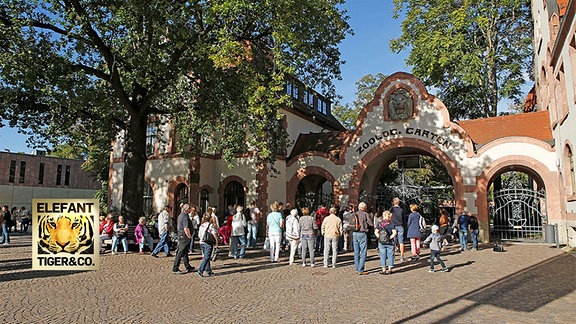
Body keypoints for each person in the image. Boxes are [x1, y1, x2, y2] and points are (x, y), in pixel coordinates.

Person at [172, 204, 196, 274]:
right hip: (184, 235)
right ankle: (175, 267)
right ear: (187, 209)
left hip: (181, 234)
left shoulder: (181, 215)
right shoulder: (185, 216)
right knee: (180, 252)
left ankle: (187, 266)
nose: (191, 210)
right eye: (190, 209)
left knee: (185, 251)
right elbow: (186, 227)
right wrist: (189, 236)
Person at [351, 202, 373, 275]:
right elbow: (370, 223)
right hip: (362, 233)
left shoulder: (355, 214)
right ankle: (360, 269)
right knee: (363, 252)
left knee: (356, 252)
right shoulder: (365, 214)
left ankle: (357, 268)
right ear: (364, 208)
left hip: (354, 233)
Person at [375, 210, 397, 275]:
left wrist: (380, 237)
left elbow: (376, 232)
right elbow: (394, 233)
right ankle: (390, 269)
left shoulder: (380, 223)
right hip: (390, 242)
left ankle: (383, 269)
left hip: (381, 242)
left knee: (382, 255)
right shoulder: (391, 224)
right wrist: (389, 238)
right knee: (391, 255)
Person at [197, 213, 218, 277]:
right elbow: (214, 235)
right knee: (206, 257)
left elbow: (199, 235)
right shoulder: (210, 226)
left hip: (202, 242)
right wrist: (216, 243)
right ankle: (200, 270)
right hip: (208, 243)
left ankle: (208, 271)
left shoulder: (201, 225)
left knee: (206, 257)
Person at [390, 197, 406, 262]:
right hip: (400, 225)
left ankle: (392, 255)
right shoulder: (401, 210)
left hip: (393, 226)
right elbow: (404, 219)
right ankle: (402, 256)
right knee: (401, 241)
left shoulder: (391, 209)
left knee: (393, 241)